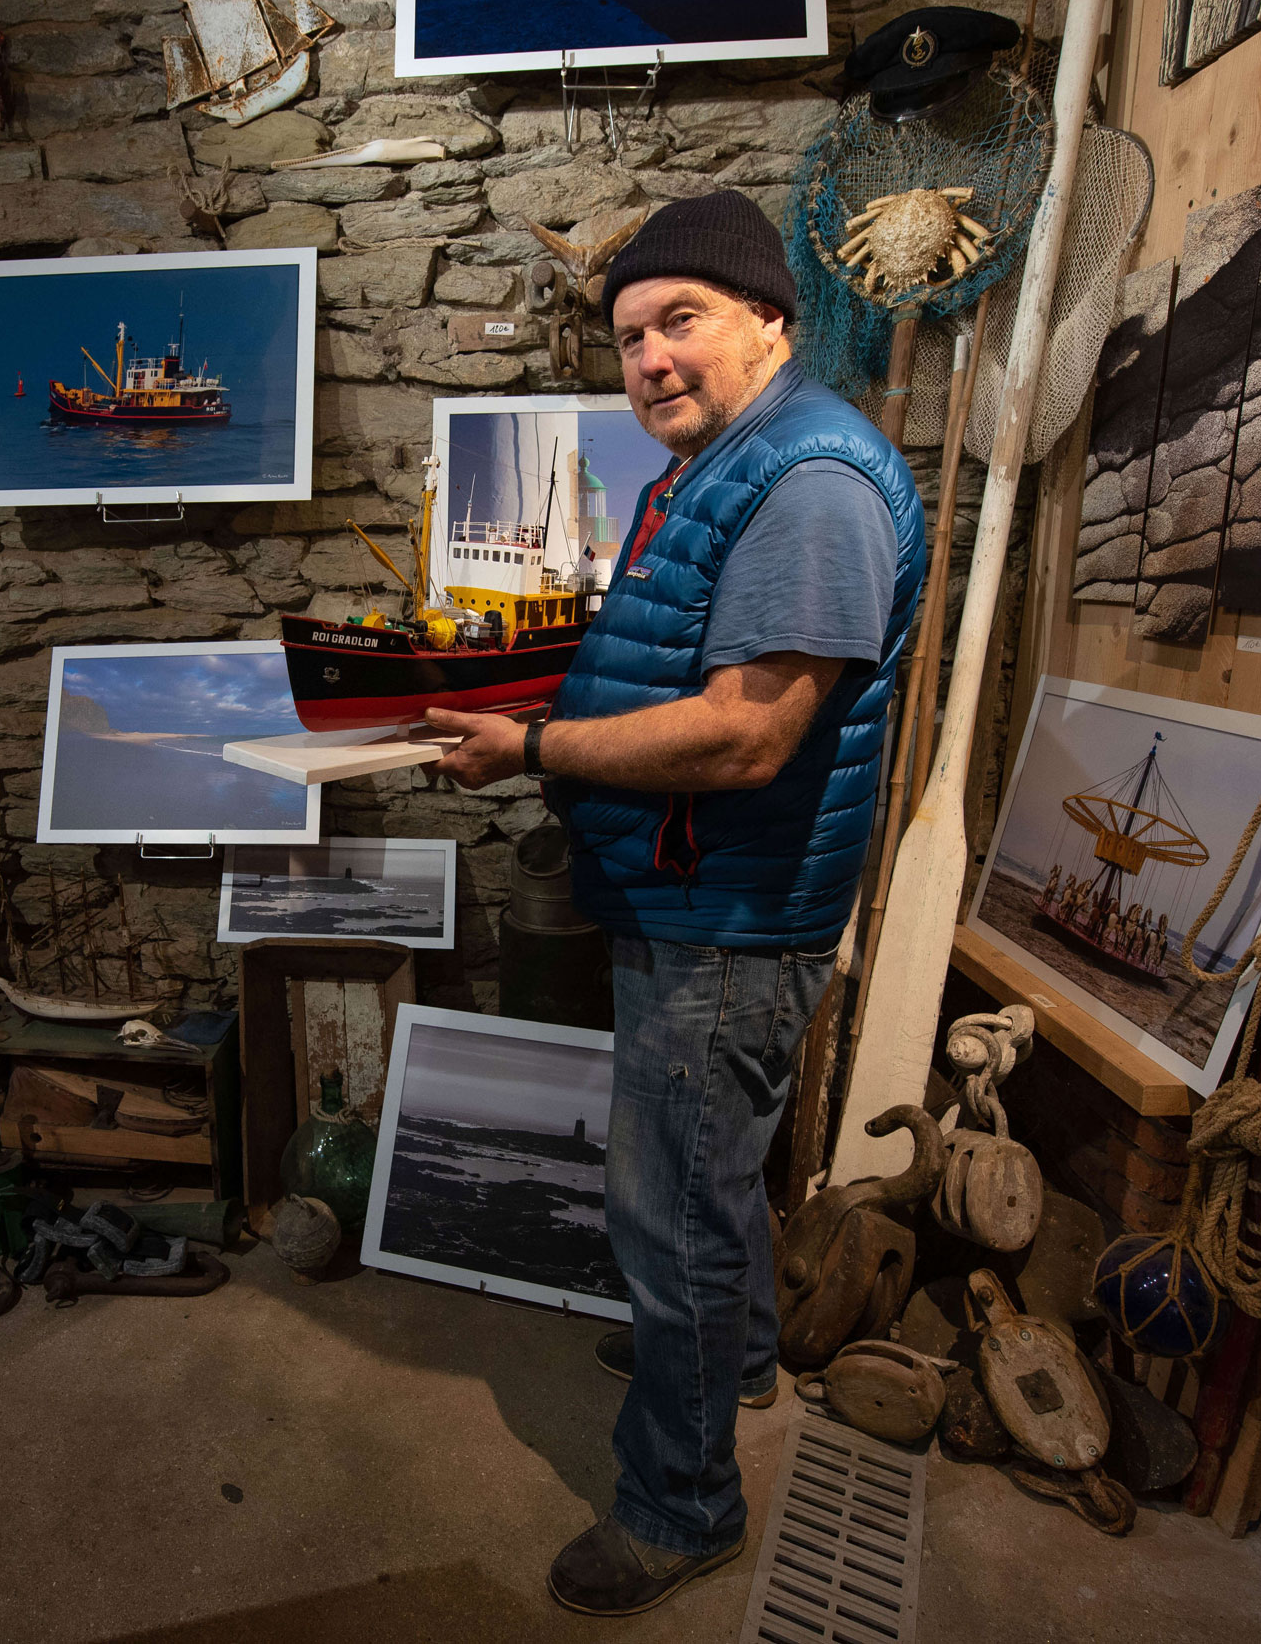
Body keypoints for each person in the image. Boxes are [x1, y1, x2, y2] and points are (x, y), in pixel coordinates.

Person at [424, 189, 924, 1617]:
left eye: (680, 321)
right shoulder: (724, 465)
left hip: (728, 911)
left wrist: (529, 747)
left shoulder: (810, 482)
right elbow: (665, 665)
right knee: (711, 1180)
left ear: (771, 319)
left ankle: (680, 1506)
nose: (648, 358)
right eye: (630, 334)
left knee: (674, 1214)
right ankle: (737, 1354)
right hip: (690, 890)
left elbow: (746, 733)